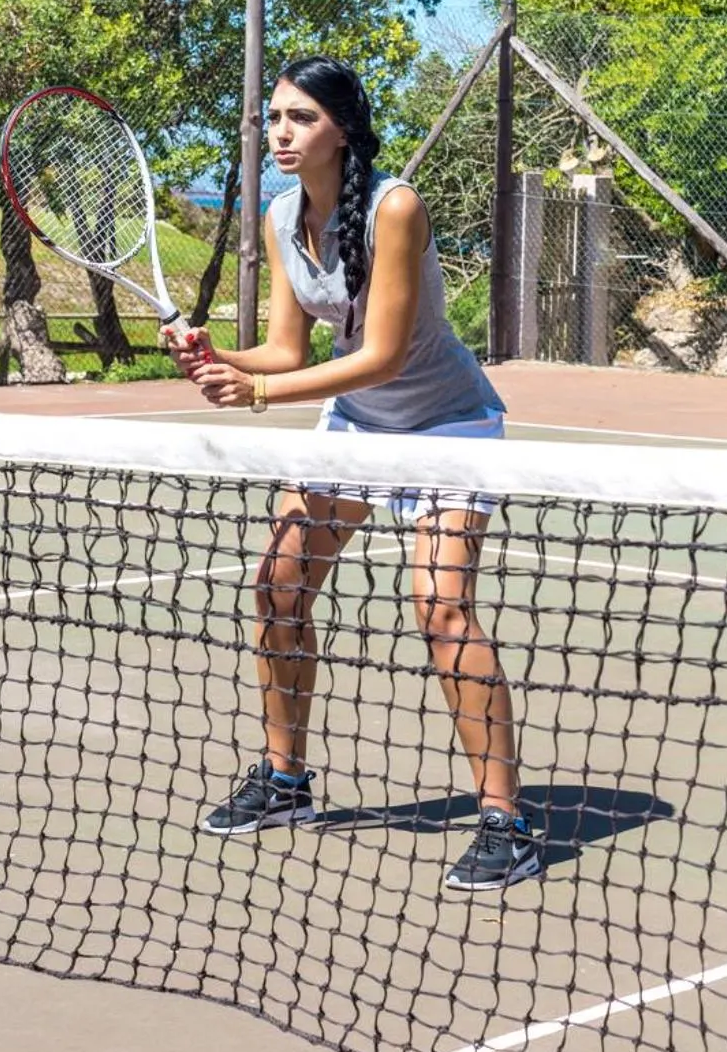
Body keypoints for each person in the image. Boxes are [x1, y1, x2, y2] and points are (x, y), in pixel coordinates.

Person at [164, 54, 542, 893]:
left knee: (442, 611)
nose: (280, 135)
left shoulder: (392, 207)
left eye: (299, 118)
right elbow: (287, 350)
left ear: (343, 128)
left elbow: (379, 355)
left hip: (449, 426)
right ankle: (285, 781)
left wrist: (258, 392)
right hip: (357, 428)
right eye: (273, 119)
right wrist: (217, 353)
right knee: (277, 586)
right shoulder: (278, 216)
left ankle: (503, 820)